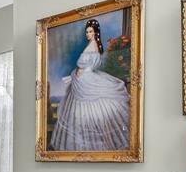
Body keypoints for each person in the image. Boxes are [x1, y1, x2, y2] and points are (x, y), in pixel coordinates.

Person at [50, 18, 131, 151]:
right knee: (81, 109)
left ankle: (87, 143)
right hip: (83, 80)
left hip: (85, 80)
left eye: (90, 32)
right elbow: (89, 64)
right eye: (87, 32)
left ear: (95, 33)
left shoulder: (92, 46)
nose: (87, 34)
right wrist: (78, 72)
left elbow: (84, 65)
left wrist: (79, 71)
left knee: (88, 109)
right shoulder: (96, 46)